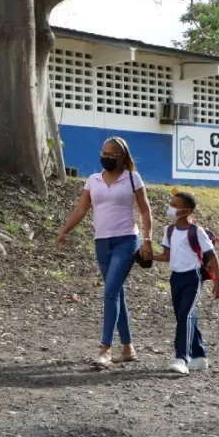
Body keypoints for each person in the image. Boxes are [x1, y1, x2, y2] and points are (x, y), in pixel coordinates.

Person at [57, 136, 154, 368]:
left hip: (127, 240)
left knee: (110, 292)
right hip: (102, 242)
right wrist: (65, 230)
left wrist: (148, 240)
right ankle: (128, 348)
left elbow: (145, 210)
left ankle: (105, 349)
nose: (106, 157)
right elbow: (82, 208)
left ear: (122, 157)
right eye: (104, 153)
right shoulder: (93, 180)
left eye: (112, 155)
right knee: (116, 293)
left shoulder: (133, 178)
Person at [151, 192, 219, 375]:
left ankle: (182, 358)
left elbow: (212, 256)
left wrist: (218, 282)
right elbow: (166, 256)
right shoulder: (169, 230)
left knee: (185, 316)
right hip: (176, 278)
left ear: (186, 211)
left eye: (175, 205)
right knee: (185, 316)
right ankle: (199, 356)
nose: (171, 208)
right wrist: (149, 256)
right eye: (171, 204)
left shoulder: (196, 231)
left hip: (192, 277)